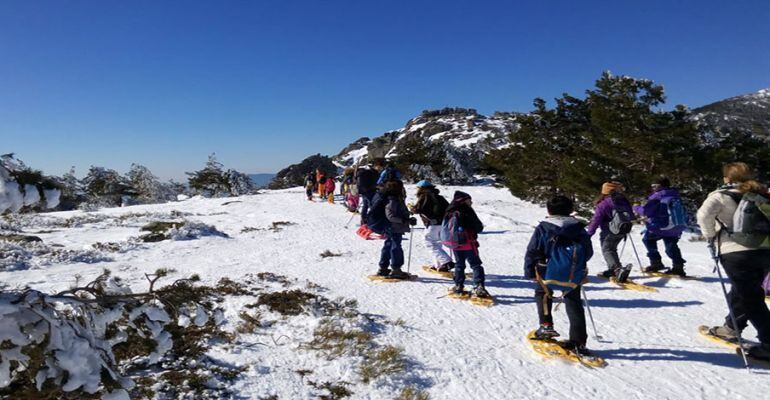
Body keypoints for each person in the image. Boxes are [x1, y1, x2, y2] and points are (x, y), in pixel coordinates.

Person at [697, 162, 770, 360]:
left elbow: (703, 216)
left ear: (727, 178)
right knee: (745, 291)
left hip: (735, 252)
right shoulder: (762, 194)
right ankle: (731, 327)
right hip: (764, 250)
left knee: (751, 298)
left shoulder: (720, 195)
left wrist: (710, 236)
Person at [524, 195, 593, 354]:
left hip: (547, 271)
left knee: (543, 293)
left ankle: (546, 326)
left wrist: (529, 271)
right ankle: (578, 341)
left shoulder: (544, 227)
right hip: (572, 274)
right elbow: (588, 252)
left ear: (549, 210)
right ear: (571, 210)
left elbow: (533, 251)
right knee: (573, 301)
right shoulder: (579, 228)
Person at [634, 176, 687, 276]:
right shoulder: (675, 194)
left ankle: (656, 263)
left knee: (648, 240)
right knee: (671, 246)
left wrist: (636, 207)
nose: (653, 188)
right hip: (675, 226)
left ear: (661, 186)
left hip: (660, 226)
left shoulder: (656, 196)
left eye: (655, 185)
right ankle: (678, 267)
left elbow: (645, 211)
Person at [586, 181, 634, 282]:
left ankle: (616, 270)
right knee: (612, 249)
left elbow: (596, 220)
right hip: (623, 229)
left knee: (607, 249)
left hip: (609, 231)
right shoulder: (623, 200)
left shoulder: (603, 204)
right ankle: (615, 269)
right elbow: (631, 215)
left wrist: (589, 233)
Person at [445, 191, 489, 297]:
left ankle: (458, 285)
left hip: (455, 244)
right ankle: (479, 286)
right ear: (463, 200)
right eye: (469, 200)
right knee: (476, 264)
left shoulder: (449, 210)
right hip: (469, 243)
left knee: (459, 265)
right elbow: (479, 227)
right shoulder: (467, 211)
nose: (471, 202)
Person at [372, 180, 416, 279]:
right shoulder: (393, 200)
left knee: (388, 246)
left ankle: (383, 268)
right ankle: (396, 269)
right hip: (394, 228)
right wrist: (405, 220)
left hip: (391, 227)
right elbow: (390, 216)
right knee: (395, 247)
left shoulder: (393, 199)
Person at [410, 180, 453, 272]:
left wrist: (412, 209)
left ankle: (446, 261)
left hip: (432, 223)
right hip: (443, 223)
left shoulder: (424, 196)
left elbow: (419, 209)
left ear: (421, 188)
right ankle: (439, 265)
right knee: (436, 243)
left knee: (429, 243)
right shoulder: (439, 197)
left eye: (417, 187)